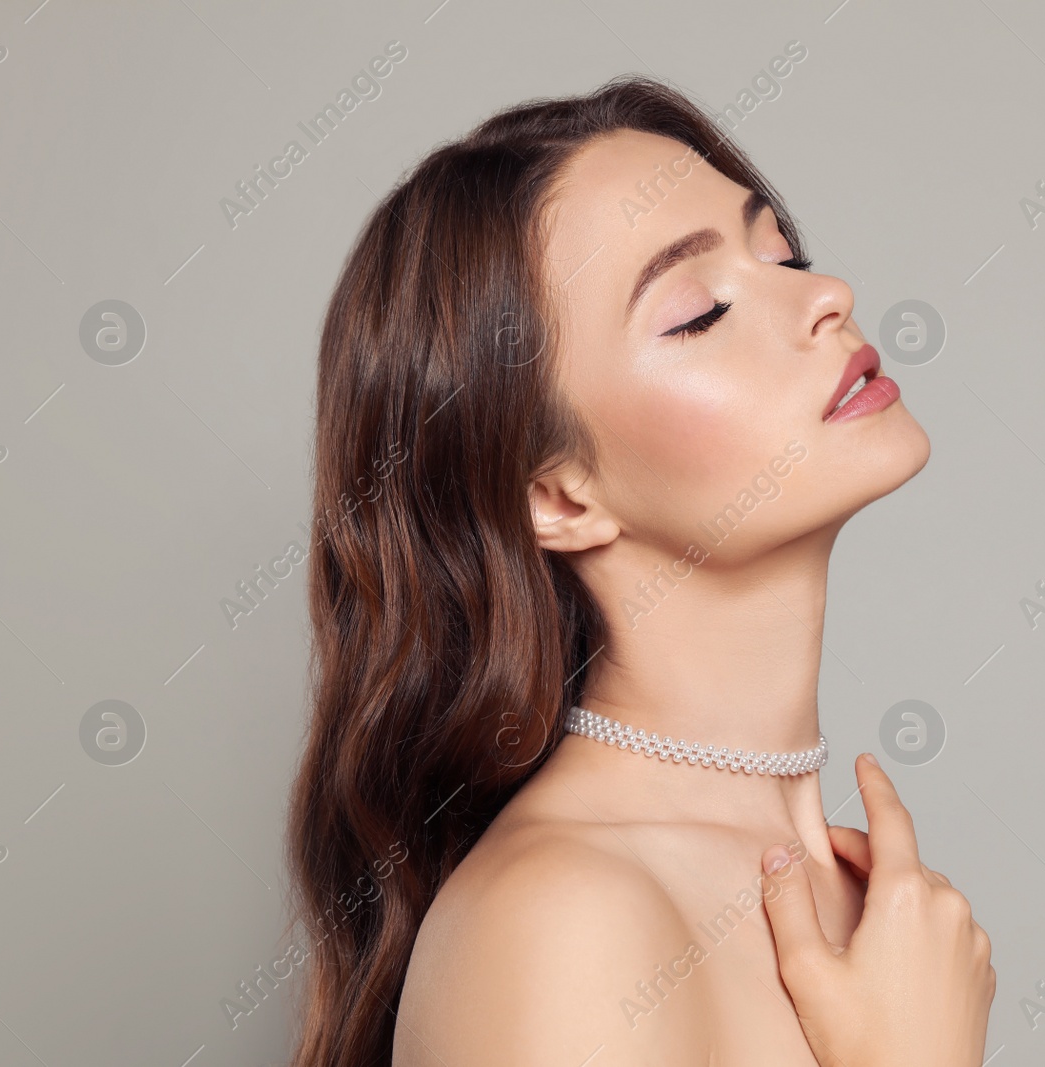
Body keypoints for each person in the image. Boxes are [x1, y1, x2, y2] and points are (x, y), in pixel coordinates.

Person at [286, 73, 995, 1066]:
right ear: (558, 496)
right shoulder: (558, 919)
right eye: (699, 310)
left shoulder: (861, 899)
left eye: (783, 252)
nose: (824, 296)